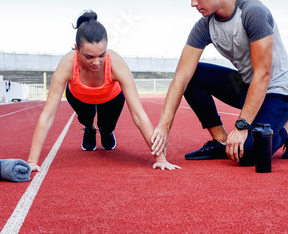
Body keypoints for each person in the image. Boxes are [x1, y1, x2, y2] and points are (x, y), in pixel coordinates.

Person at [151, 0, 288, 166]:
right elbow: (181, 76)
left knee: (248, 153)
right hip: (248, 86)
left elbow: (263, 73)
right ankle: (221, 140)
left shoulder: (253, 12)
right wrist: (163, 126)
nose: (193, 4)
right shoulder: (205, 25)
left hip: (279, 91)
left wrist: (242, 127)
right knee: (192, 75)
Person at [27, 10, 180, 171]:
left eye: (101, 55)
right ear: (76, 49)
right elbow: (48, 115)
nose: (96, 62)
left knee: (106, 127)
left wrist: (160, 158)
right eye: (89, 57)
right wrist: (32, 161)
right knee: (86, 118)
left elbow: (139, 115)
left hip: (111, 98)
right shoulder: (66, 64)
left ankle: (106, 132)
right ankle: (89, 128)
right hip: (79, 97)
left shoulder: (116, 63)